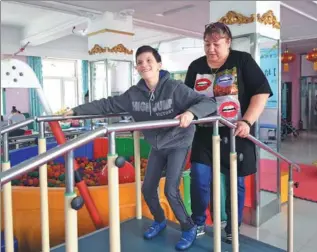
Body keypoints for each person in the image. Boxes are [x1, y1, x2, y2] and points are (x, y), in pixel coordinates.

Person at [64, 45, 217, 250]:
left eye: (148, 61)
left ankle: (188, 227)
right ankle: (160, 220)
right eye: (140, 62)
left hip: (178, 143)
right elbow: (107, 105)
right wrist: (75, 111)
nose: (144, 65)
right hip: (157, 145)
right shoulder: (134, 95)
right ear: (136, 68)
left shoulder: (174, 88)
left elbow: (208, 102)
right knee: (147, 188)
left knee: (170, 189)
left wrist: (191, 113)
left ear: (159, 65)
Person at [184, 22, 272, 243]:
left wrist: (247, 121)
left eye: (216, 44)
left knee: (235, 183)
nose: (210, 49)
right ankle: (198, 222)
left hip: (235, 133)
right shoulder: (196, 66)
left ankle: (232, 227)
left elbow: (261, 92)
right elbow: (186, 99)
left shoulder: (242, 61)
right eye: (206, 44)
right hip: (204, 134)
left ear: (228, 42)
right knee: (199, 179)